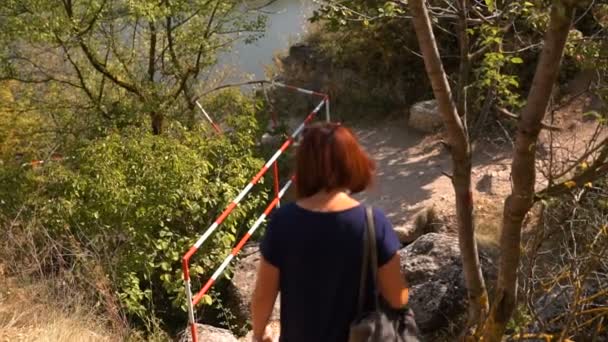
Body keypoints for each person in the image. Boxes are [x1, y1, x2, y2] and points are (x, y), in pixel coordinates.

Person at [251, 122, 409, 342]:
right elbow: (397, 298)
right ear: (352, 164)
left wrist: (259, 335)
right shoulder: (373, 223)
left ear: (303, 167)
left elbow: (262, 297)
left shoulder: (282, 223)